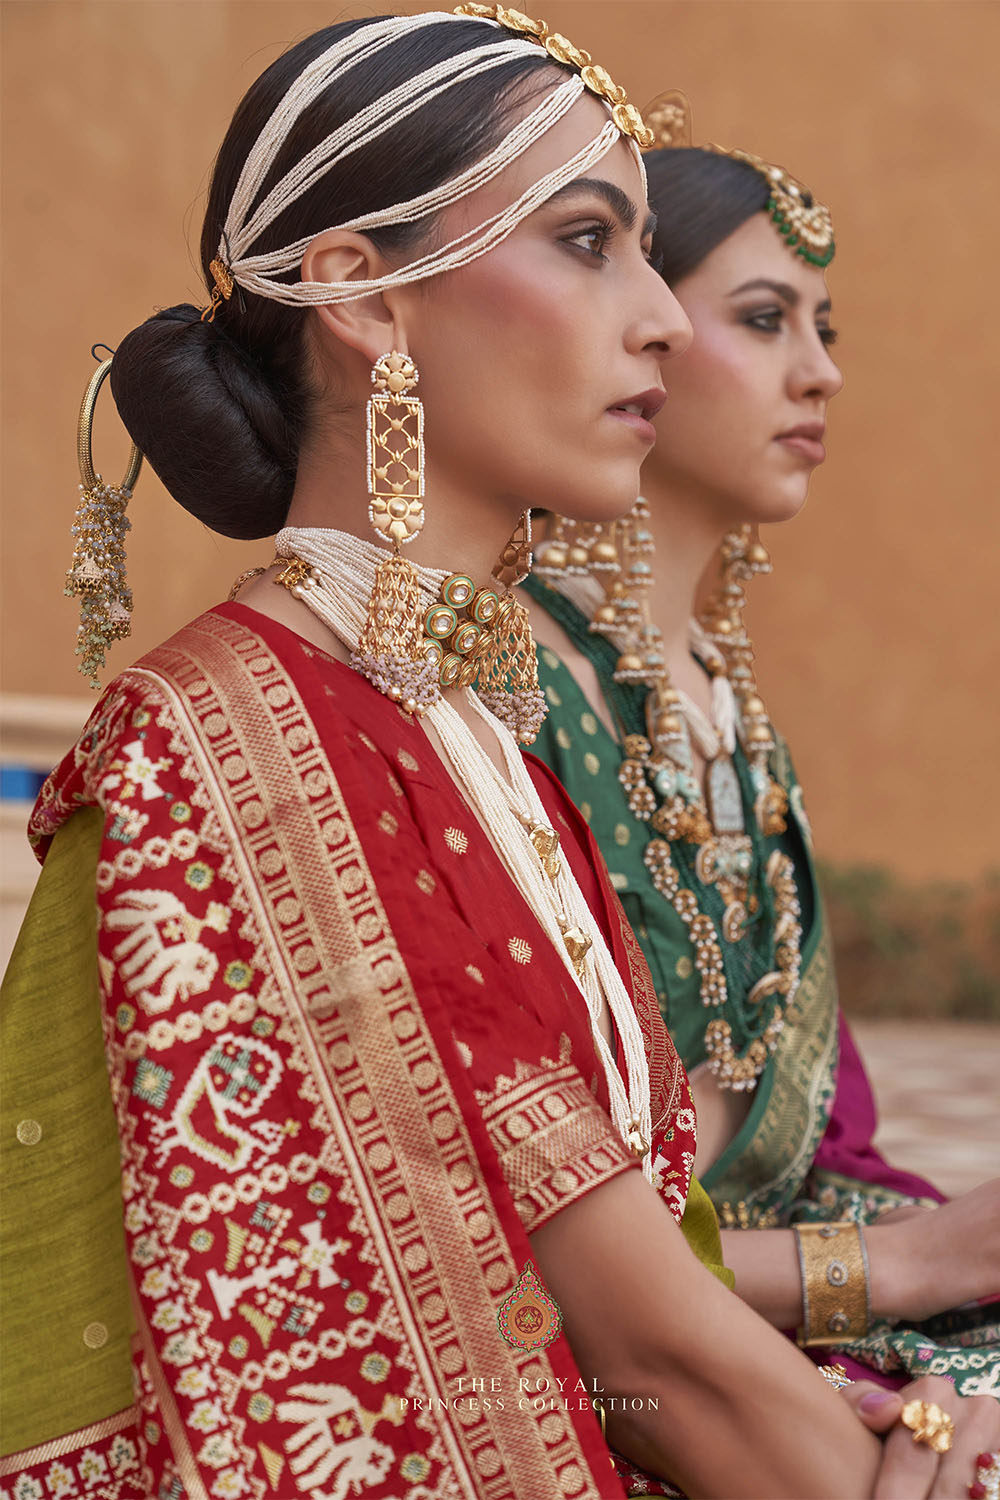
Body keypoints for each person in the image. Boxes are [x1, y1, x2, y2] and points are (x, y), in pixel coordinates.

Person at [1, 13, 996, 1500]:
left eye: (650, 254)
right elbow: (635, 1354)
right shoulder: (251, 740)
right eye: (590, 243)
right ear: (365, 300)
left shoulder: (454, 713)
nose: (659, 317)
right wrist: (923, 1449)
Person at [523, 97, 1000, 1406]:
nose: (822, 371)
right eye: (764, 318)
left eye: (824, 328)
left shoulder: (729, 704)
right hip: (617, 1362)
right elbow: (503, 1232)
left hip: (774, 1295)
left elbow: (809, 1136)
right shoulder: (506, 697)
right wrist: (890, 1267)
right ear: (638, 333)